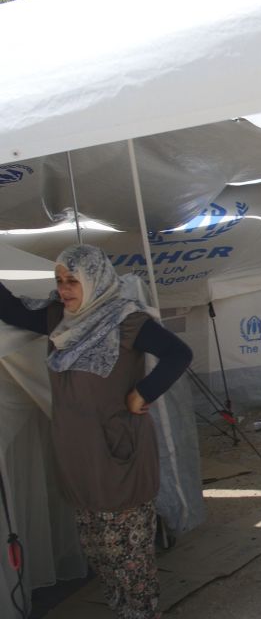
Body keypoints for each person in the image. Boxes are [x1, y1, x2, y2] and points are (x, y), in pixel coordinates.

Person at [0, 245, 192, 619]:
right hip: (78, 455)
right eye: (59, 281)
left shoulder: (126, 321)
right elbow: (10, 311)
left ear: (96, 279)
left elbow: (178, 354)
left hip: (118, 453)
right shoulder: (60, 318)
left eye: (73, 281)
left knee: (129, 557)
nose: (65, 289)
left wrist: (143, 392)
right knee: (98, 552)